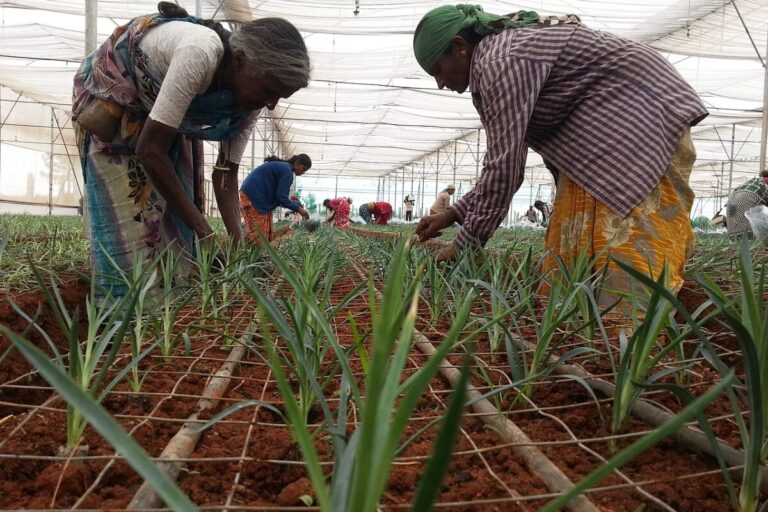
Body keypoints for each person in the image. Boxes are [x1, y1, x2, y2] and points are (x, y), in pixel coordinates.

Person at [413, 5, 707, 315]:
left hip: (638, 120)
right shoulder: (494, 62)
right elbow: (501, 163)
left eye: (438, 70)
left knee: (624, 234)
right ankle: (585, 332)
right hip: (599, 139)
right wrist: (454, 214)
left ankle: (630, 335)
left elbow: (505, 167)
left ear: (460, 47)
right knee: (574, 242)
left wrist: (464, 245)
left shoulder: (499, 61)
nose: (440, 84)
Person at [71, 2, 310, 296]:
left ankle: (167, 305)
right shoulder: (200, 53)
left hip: (165, 123)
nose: (270, 104)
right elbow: (151, 151)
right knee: (132, 234)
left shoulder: (249, 101)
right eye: (269, 92)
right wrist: (206, 232)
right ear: (239, 59)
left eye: (279, 98)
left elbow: (226, 174)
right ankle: (124, 315)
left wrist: (238, 245)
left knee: (174, 233)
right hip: (121, 108)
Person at [240, 155, 311, 242]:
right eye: (303, 168)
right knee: (258, 238)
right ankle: (247, 248)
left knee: (266, 234)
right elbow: (281, 197)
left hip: (257, 196)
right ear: (297, 163)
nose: (303, 172)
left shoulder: (284, 168)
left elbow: (280, 197)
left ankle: (249, 245)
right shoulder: (287, 171)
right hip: (253, 196)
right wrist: (299, 209)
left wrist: (294, 206)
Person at [725, 170, 768, 239]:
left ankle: (738, 236)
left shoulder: (753, 182)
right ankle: (751, 235)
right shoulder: (765, 182)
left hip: (732, 233)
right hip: (750, 236)